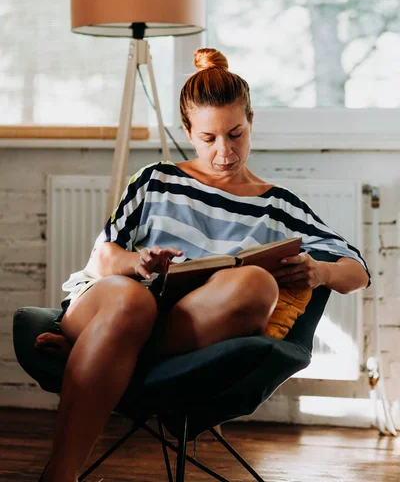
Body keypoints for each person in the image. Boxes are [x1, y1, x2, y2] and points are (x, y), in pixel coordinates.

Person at [35, 48, 370, 482]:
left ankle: (103, 353)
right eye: (209, 138)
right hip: (113, 304)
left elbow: (357, 269)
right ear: (188, 131)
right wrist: (139, 262)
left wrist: (321, 271)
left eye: (235, 134)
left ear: (251, 122)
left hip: (186, 328)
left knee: (254, 284)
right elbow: (104, 256)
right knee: (131, 299)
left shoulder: (279, 204)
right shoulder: (157, 179)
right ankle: (59, 475)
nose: (225, 152)